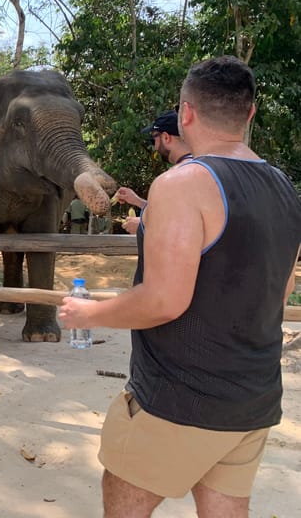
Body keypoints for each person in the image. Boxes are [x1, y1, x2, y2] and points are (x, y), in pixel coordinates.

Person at [59, 56, 301, 518]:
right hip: (253, 402)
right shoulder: (284, 189)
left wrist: (89, 314)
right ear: (250, 114)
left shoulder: (182, 183)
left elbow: (164, 299)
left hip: (179, 400)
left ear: (185, 114)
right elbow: (283, 287)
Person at [116, 109, 193, 234]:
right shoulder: (197, 167)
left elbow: (184, 227)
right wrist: (137, 201)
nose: (155, 147)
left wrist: (143, 226)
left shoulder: (180, 175)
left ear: (166, 137)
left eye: (154, 138)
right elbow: (170, 214)